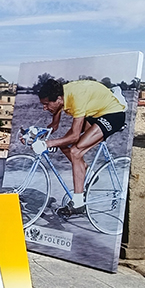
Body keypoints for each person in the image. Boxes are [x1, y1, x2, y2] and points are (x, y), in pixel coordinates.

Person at [33, 78, 127, 217]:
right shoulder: (62, 94)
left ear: (58, 99)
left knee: (75, 151)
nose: (44, 108)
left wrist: (48, 144)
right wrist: (55, 122)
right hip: (96, 114)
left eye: (46, 104)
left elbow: (75, 136)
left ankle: (78, 203)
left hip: (113, 115)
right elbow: (58, 108)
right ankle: (88, 173)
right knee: (63, 144)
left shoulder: (76, 98)